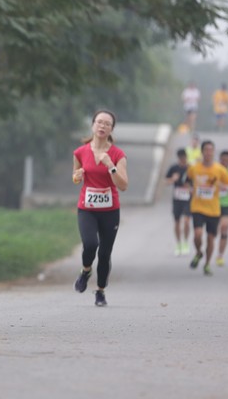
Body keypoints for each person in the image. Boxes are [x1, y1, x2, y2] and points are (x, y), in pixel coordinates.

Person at [72, 110, 128, 307]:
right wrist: (77, 176)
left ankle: (101, 291)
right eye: (99, 122)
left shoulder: (117, 154)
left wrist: (110, 165)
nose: (102, 126)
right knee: (90, 244)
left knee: (104, 254)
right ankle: (86, 271)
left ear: (112, 129)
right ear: (93, 125)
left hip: (110, 211)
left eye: (107, 124)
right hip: (87, 208)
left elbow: (123, 185)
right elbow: (76, 177)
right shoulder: (80, 152)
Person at [187, 140, 228, 276]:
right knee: (197, 234)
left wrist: (223, 186)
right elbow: (187, 180)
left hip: (213, 209)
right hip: (197, 207)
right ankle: (199, 252)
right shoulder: (194, 168)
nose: (208, 153)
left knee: (211, 238)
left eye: (211, 150)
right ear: (202, 152)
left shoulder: (220, 169)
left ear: (213, 152)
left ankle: (207, 264)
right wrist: (190, 188)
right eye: (206, 150)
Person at [165, 148, 192, 257]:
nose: (182, 160)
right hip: (177, 199)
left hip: (188, 199)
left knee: (186, 221)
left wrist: (190, 187)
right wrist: (173, 179)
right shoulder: (173, 168)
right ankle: (178, 244)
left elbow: (196, 182)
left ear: (186, 157)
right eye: (180, 158)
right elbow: (166, 181)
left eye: (184, 158)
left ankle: (186, 242)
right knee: (177, 222)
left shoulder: (191, 169)